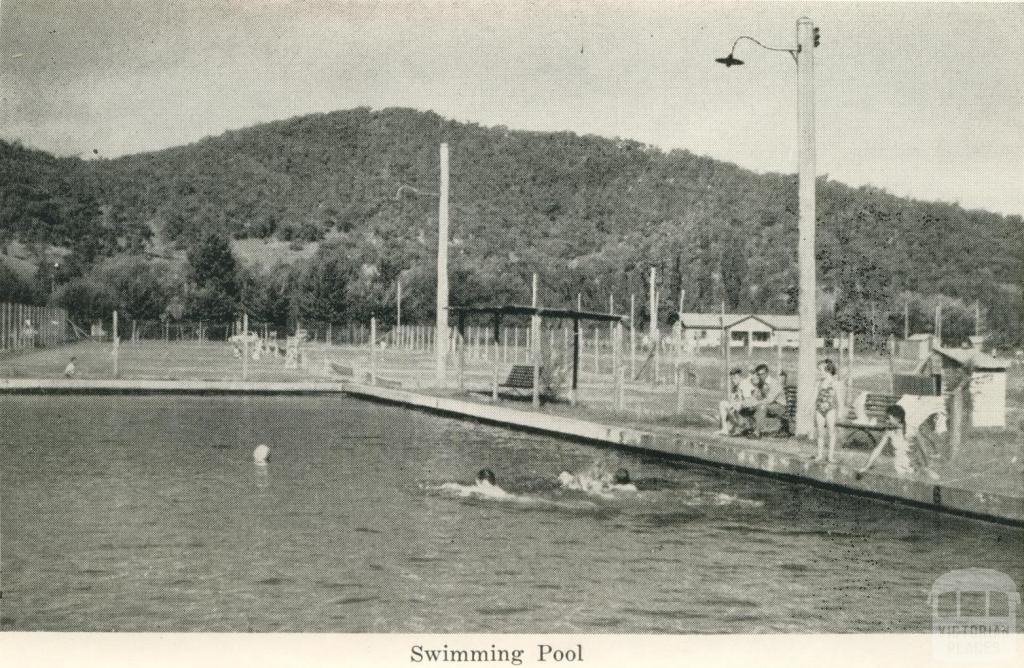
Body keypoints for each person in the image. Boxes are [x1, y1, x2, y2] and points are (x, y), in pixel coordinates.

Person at [858, 405, 912, 476]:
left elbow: (923, 451)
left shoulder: (910, 430)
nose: (887, 421)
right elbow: (878, 449)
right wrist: (866, 467)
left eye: (888, 418)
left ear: (898, 418)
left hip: (911, 466)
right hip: (899, 466)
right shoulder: (889, 431)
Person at [742, 363, 790, 438]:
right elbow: (755, 397)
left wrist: (755, 403)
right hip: (769, 406)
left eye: (762, 374)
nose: (760, 376)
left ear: (767, 373)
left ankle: (757, 433)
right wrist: (748, 402)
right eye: (758, 374)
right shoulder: (760, 384)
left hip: (780, 407)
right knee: (749, 407)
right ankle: (746, 428)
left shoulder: (774, 383)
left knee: (762, 407)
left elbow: (769, 400)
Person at [813, 359, 841, 463]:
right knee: (820, 432)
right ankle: (820, 455)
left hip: (830, 409)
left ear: (828, 370)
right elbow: (814, 396)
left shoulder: (835, 383)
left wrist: (840, 411)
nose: (819, 372)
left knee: (831, 432)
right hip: (819, 409)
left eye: (821, 370)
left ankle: (830, 456)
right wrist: (809, 407)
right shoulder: (819, 383)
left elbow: (839, 399)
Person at [718, 367, 756, 436]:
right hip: (738, 415)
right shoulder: (735, 388)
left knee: (723, 404)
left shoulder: (745, 384)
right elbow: (732, 402)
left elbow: (749, 403)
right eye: (732, 378)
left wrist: (738, 405)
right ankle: (727, 429)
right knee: (725, 406)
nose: (733, 380)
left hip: (747, 417)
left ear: (740, 377)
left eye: (735, 377)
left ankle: (727, 429)